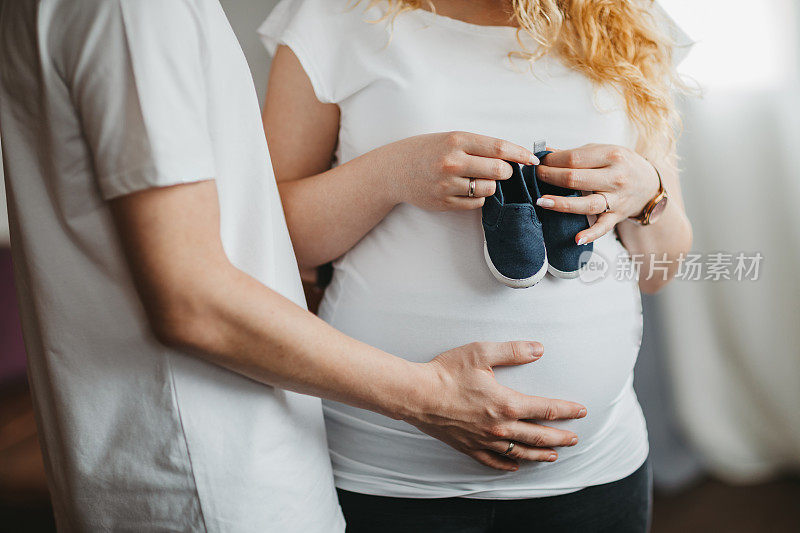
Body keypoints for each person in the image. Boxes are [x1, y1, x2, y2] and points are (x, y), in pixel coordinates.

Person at [0, 1, 589, 531]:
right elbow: (191, 302)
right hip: (208, 473)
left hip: (197, 455)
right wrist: (428, 396)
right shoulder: (134, 14)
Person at [259, 0, 693, 530]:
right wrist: (390, 174)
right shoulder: (336, 17)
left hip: (595, 469)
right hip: (390, 472)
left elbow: (658, 271)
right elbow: (269, 242)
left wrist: (650, 193)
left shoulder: (628, 21)